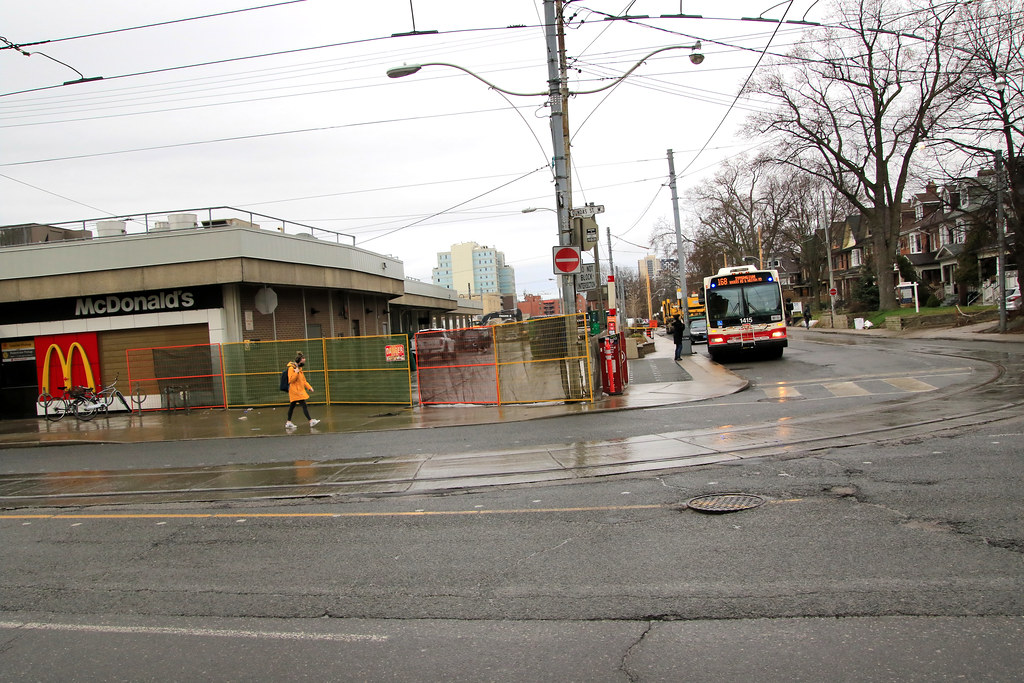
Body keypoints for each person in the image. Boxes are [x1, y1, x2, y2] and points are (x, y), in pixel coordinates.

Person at [285, 351, 320, 430]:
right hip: (295, 391)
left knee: (292, 406)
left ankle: (288, 422)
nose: (304, 362)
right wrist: (296, 373)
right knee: (303, 404)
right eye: (303, 360)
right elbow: (291, 380)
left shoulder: (299, 369)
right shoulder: (291, 368)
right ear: (299, 361)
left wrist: (309, 387)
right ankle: (311, 421)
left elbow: (303, 380)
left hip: (298, 391)